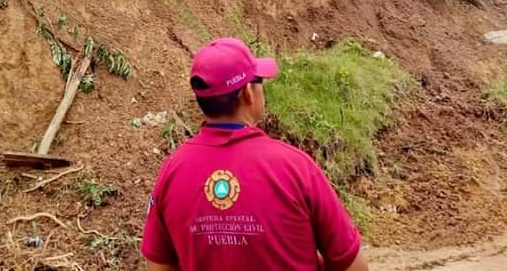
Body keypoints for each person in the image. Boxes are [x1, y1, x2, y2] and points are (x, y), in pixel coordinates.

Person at [141, 37, 369, 271]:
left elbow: (158, 266)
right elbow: (354, 266)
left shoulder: (173, 171)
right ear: (248, 92)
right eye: (259, 80)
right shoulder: (296, 168)